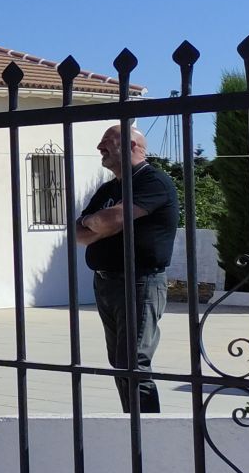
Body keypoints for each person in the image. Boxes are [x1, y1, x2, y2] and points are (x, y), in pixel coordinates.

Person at [76, 125, 180, 414]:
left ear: (133, 144)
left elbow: (111, 220)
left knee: (133, 363)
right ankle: (131, 424)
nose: (100, 147)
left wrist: (99, 222)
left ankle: (146, 432)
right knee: (120, 363)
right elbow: (78, 234)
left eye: (106, 141)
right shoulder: (110, 188)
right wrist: (101, 222)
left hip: (140, 283)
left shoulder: (153, 181)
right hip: (106, 284)